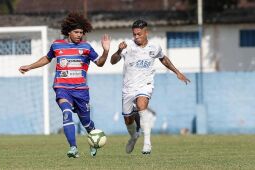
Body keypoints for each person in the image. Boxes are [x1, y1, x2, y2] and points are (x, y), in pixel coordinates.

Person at [19, 12, 110, 158]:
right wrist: (30, 66)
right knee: (66, 113)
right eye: (76, 32)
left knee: (86, 122)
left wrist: (106, 51)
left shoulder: (86, 47)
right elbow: (47, 59)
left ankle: (94, 140)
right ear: (69, 31)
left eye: (81, 32)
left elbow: (100, 63)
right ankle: (73, 148)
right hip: (62, 88)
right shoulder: (56, 45)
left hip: (80, 90)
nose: (79, 35)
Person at [110, 20, 190, 155]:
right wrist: (118, 50)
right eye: (134, 34)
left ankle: (147, 143)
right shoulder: (127, 46)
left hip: (145, 85)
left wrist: (177, 72)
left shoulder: (154, 47)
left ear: (146, 32)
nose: (136, 37)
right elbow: (112, 61)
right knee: (128, 119)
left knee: (142, 106)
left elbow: (163, 58)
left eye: (139, 34)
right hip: (128, 88)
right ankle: (134, 136)